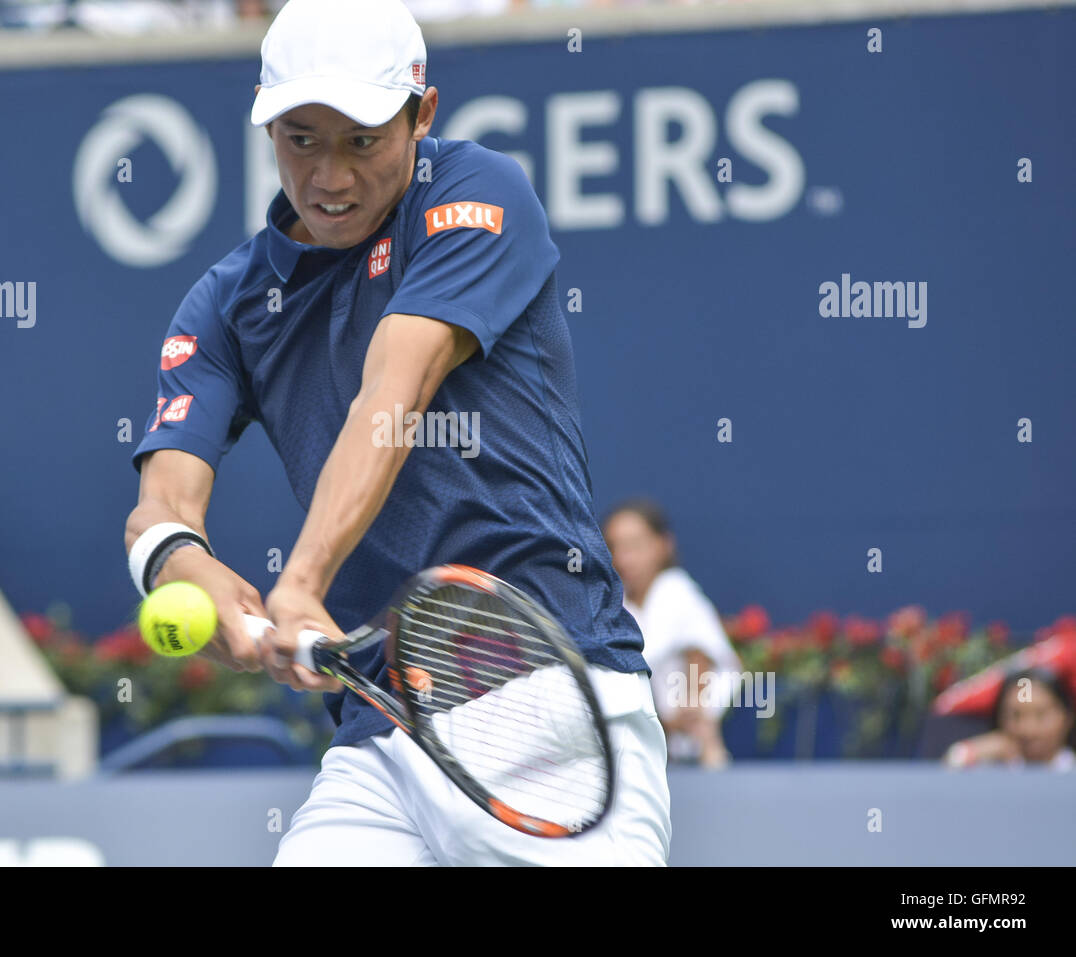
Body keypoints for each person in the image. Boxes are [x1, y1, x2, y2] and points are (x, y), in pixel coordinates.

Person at [123, 0, 670, 865]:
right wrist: (188, 568)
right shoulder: (225, 305)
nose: (330, 176)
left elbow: (395, 389)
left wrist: (299, 581)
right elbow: (158, 507)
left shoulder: (478, 192)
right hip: (379, 730)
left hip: (547, 695)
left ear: (423, 114)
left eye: (362, 141)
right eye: (302, 140)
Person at [603, 499, 739, 768]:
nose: (623, 558)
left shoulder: (675, 590)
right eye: (615, 547)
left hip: (692, 748)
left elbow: (698, 654)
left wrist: (688, 719)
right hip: (648, 751)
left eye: (635, 546)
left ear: (664, 545)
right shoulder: (616, 605)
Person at [944, 667, 1076, 771]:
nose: (1028, 729)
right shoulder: (990, 769)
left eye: (1041, 715)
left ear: (1067, 717)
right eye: (1016, 716)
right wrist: (973, 751)